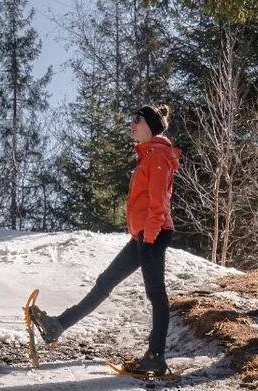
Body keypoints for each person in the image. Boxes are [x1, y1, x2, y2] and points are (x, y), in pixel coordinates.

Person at [26, 105, 182, 376]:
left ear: (150, 126)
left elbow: (158, 205)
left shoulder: (158, 156)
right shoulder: (150, 155)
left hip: (152, 234)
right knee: (106, 281)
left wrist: (149, 241)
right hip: (143, 234)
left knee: (156, 294)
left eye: (137, 120)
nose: (131, 124)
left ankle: (156, 357)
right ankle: (57, 326)